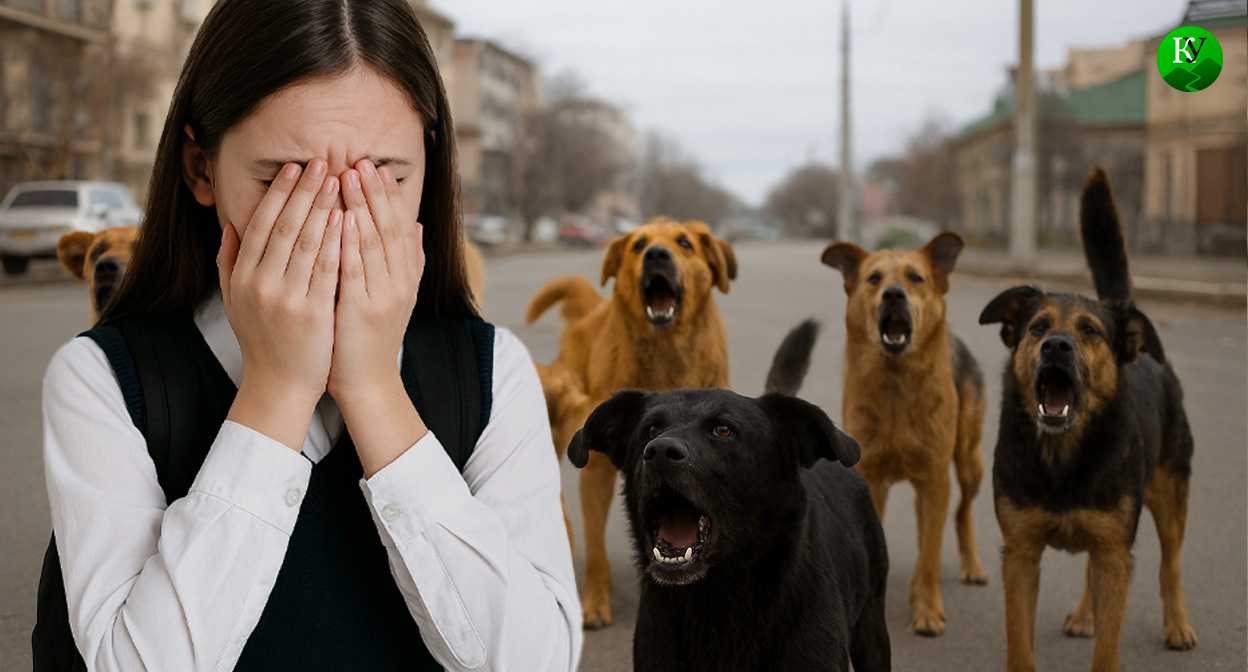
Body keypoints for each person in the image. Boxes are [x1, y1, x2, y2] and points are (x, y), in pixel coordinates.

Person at [37, 0, 581, 669]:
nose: (337, 218)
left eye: (385, 176)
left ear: (430, 168)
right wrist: (277, 390)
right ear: (200, 169)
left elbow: (533, 660)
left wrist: (375, 387)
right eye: (283, 181)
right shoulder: (102, 382)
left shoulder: (493, 372)